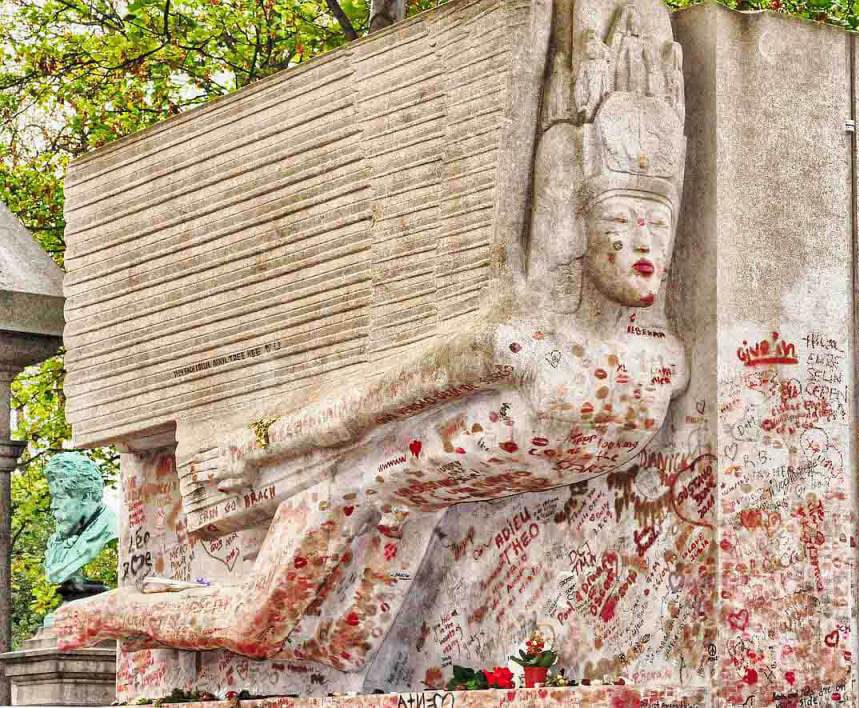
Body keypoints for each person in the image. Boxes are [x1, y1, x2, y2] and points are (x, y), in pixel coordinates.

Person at [56, 0, 690, 672]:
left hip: (407, 510)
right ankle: (102, 611)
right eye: (621, 227)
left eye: (658, 228)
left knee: (342, 648)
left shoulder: (665, 363)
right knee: (249, 626)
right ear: (581, 232)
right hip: (341, 494)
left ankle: (173, 602)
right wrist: (255, 449)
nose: (644, 246)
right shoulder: (522, 346)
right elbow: (366, 406)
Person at [44, 452, 117, 599]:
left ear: (85, 496)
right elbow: (54, 573)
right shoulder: (58, 538)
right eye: (53, 498)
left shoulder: (114, 532)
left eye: (60, 497)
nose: (53, 506)